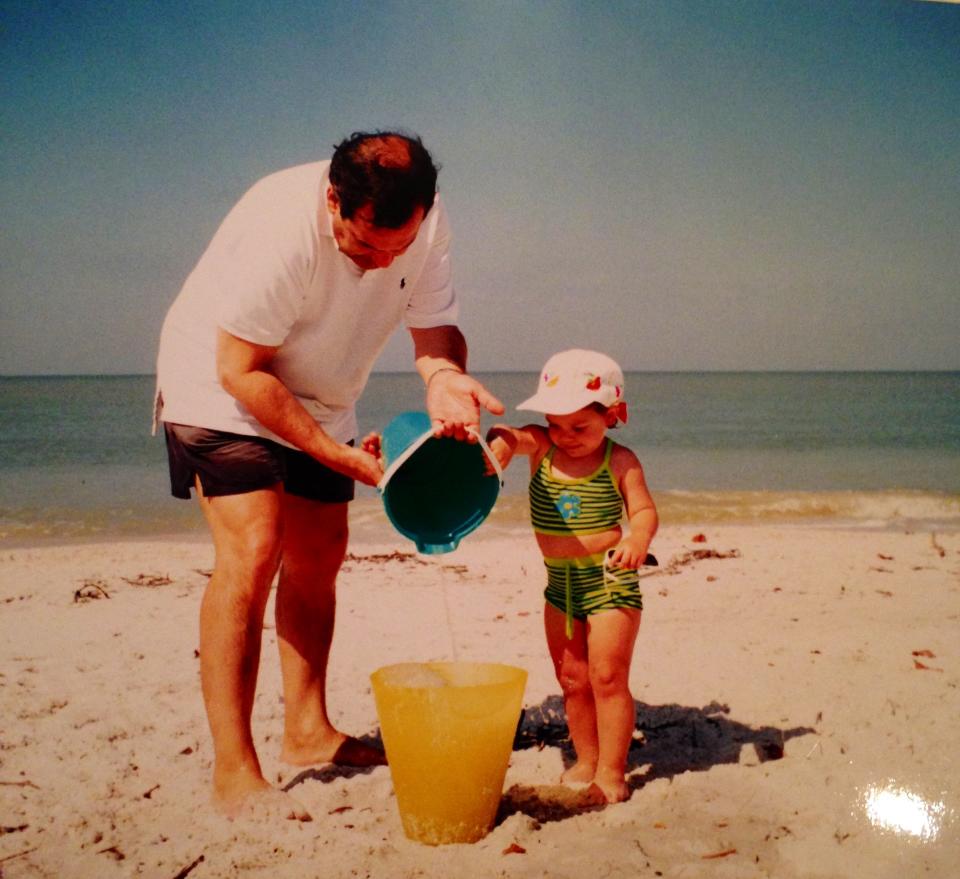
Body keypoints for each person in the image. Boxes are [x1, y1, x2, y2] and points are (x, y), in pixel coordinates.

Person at [155, 131, 503, 820]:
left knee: (320, 554)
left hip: (322, 389)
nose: (380, 265)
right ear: (333, 199)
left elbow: (434, 328)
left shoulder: (423, 224)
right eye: (365, 245)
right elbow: (240, 370)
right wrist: (336, 453)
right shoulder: (283, 228)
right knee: (254, 549)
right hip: (221, 383)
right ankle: (234, 766)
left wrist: (446, 380)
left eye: (395, 250)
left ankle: (308, 730)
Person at [485, 349, 658, 803]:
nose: (566, 437)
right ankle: (585, 758)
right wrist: (501, 443)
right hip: (558, 585)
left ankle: (612, 772)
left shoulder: (620, 461)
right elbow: (515, 435)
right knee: (573, 679)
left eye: (579, 426)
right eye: (556, 424)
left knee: (606, 678)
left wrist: (637, 539)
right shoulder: (542, 446)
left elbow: (642, 510)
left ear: (614, 415)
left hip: (610, 580)